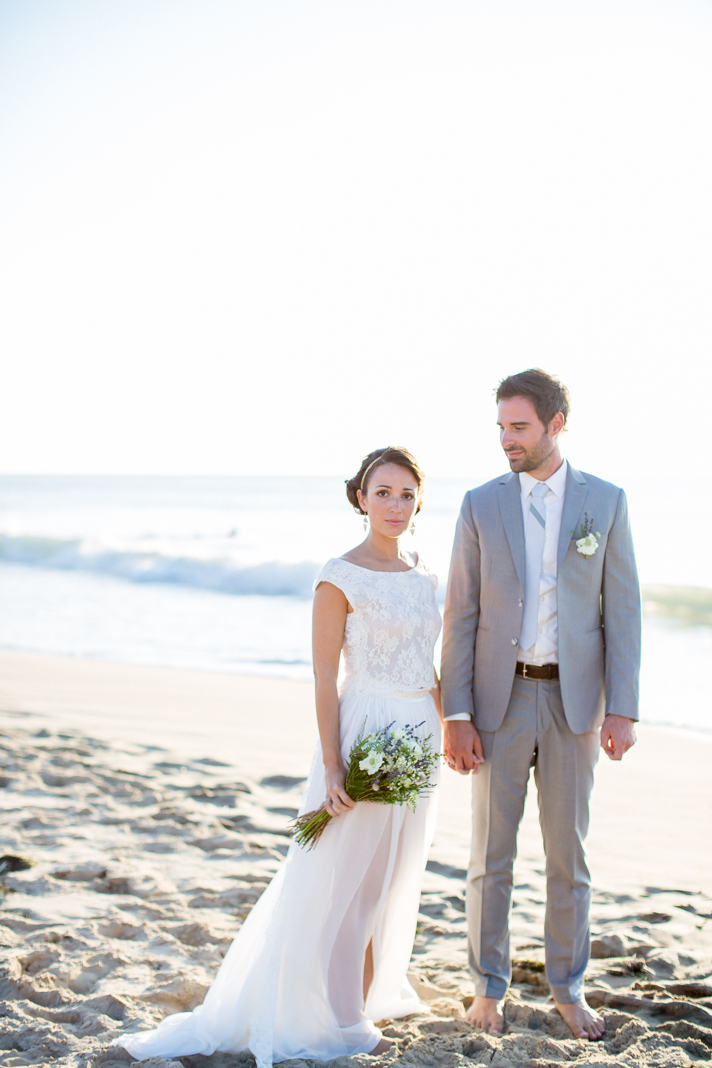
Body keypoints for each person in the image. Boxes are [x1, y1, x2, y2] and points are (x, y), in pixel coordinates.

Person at [116, 446, 443, 1067]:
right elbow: (324, 677)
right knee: (343, 882)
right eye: (383, 492)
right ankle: (343, 1021)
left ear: (419, 500)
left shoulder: (425, 573)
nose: (395, 505)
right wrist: (335, 764)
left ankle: (364, 998)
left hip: (417, 736)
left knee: (387, 878)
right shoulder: (338, 575)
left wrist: (450, 727)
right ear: (360, 497)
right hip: (364, 731)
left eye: (406, 494)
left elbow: (427, 665)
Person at [440, 369, 640, 1041]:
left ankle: (568, 988)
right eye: (501, 427)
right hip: (497, 702)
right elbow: (460, 614)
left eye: (519, 427)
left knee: (568, 857)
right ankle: (486, 989)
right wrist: (456, 713)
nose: (507, 440)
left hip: (575, 703)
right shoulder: (479, 504)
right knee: (491, 855)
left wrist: (624, 708)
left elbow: (625, 611)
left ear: (557, 425)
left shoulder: (604, 503)